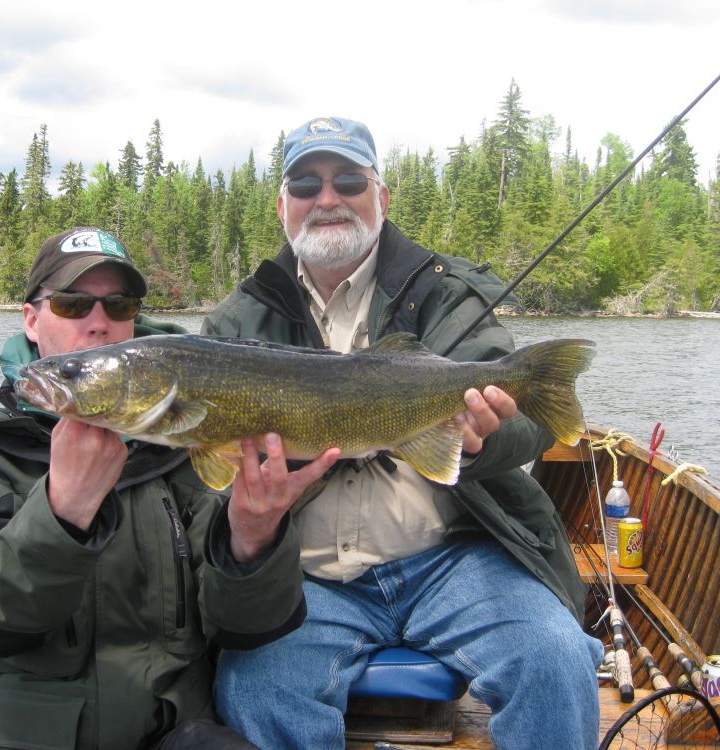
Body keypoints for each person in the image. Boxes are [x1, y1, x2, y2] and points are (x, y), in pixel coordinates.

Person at [203, 117, 604, 750]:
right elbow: (207, 481)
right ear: (282, 206)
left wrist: (480, 441)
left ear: (381, 197)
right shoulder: (237, 321)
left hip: (456, 556)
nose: (327, 198)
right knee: (252, 688)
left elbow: (528, 426)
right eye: (306, 182)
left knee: (554, 656)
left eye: (348, 180)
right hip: (306, 577)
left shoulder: (445, 293)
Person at [0, 227, 338, 750]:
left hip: (173, 734)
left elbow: (244, 628)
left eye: (119, 306)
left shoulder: (190, 453)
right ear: (31, 319)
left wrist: (253, 541)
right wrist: (62, 511)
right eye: (73, 305)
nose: (99, 323)